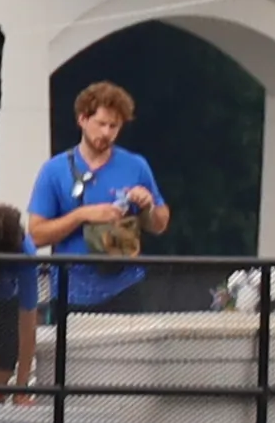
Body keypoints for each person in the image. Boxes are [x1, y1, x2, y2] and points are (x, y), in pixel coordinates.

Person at [24, 79, 172, 310]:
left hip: (125, 286)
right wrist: (82, 215)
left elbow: (160, 225)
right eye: (101, 123)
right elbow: (36, 235)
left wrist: (148, 206)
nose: (107, 133)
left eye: (114, 126)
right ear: (82, 119)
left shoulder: (136, 165)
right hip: (70, 291)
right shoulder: (54, 170)